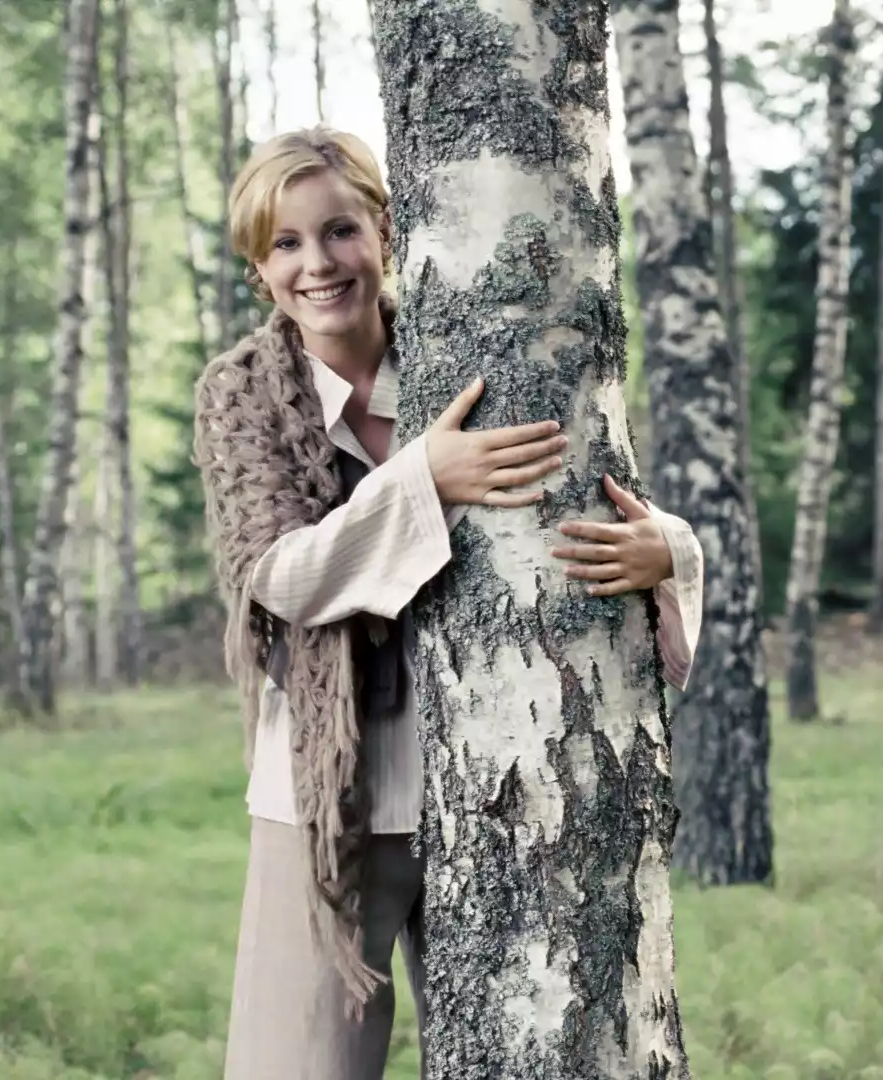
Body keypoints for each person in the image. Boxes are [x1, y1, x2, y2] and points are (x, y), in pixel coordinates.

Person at [190, 126, 706, 1080]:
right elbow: (280, 576)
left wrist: (668, 548)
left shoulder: (463, 346)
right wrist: (422, 477)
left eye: (339, 230)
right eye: (285, 244)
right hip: (326, 804)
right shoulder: (243, 394)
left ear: (385, 231)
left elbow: (581, 486)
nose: (318, 264)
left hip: (496, 790)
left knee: (507, 1054)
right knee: (295, 1064)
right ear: (259, 269)